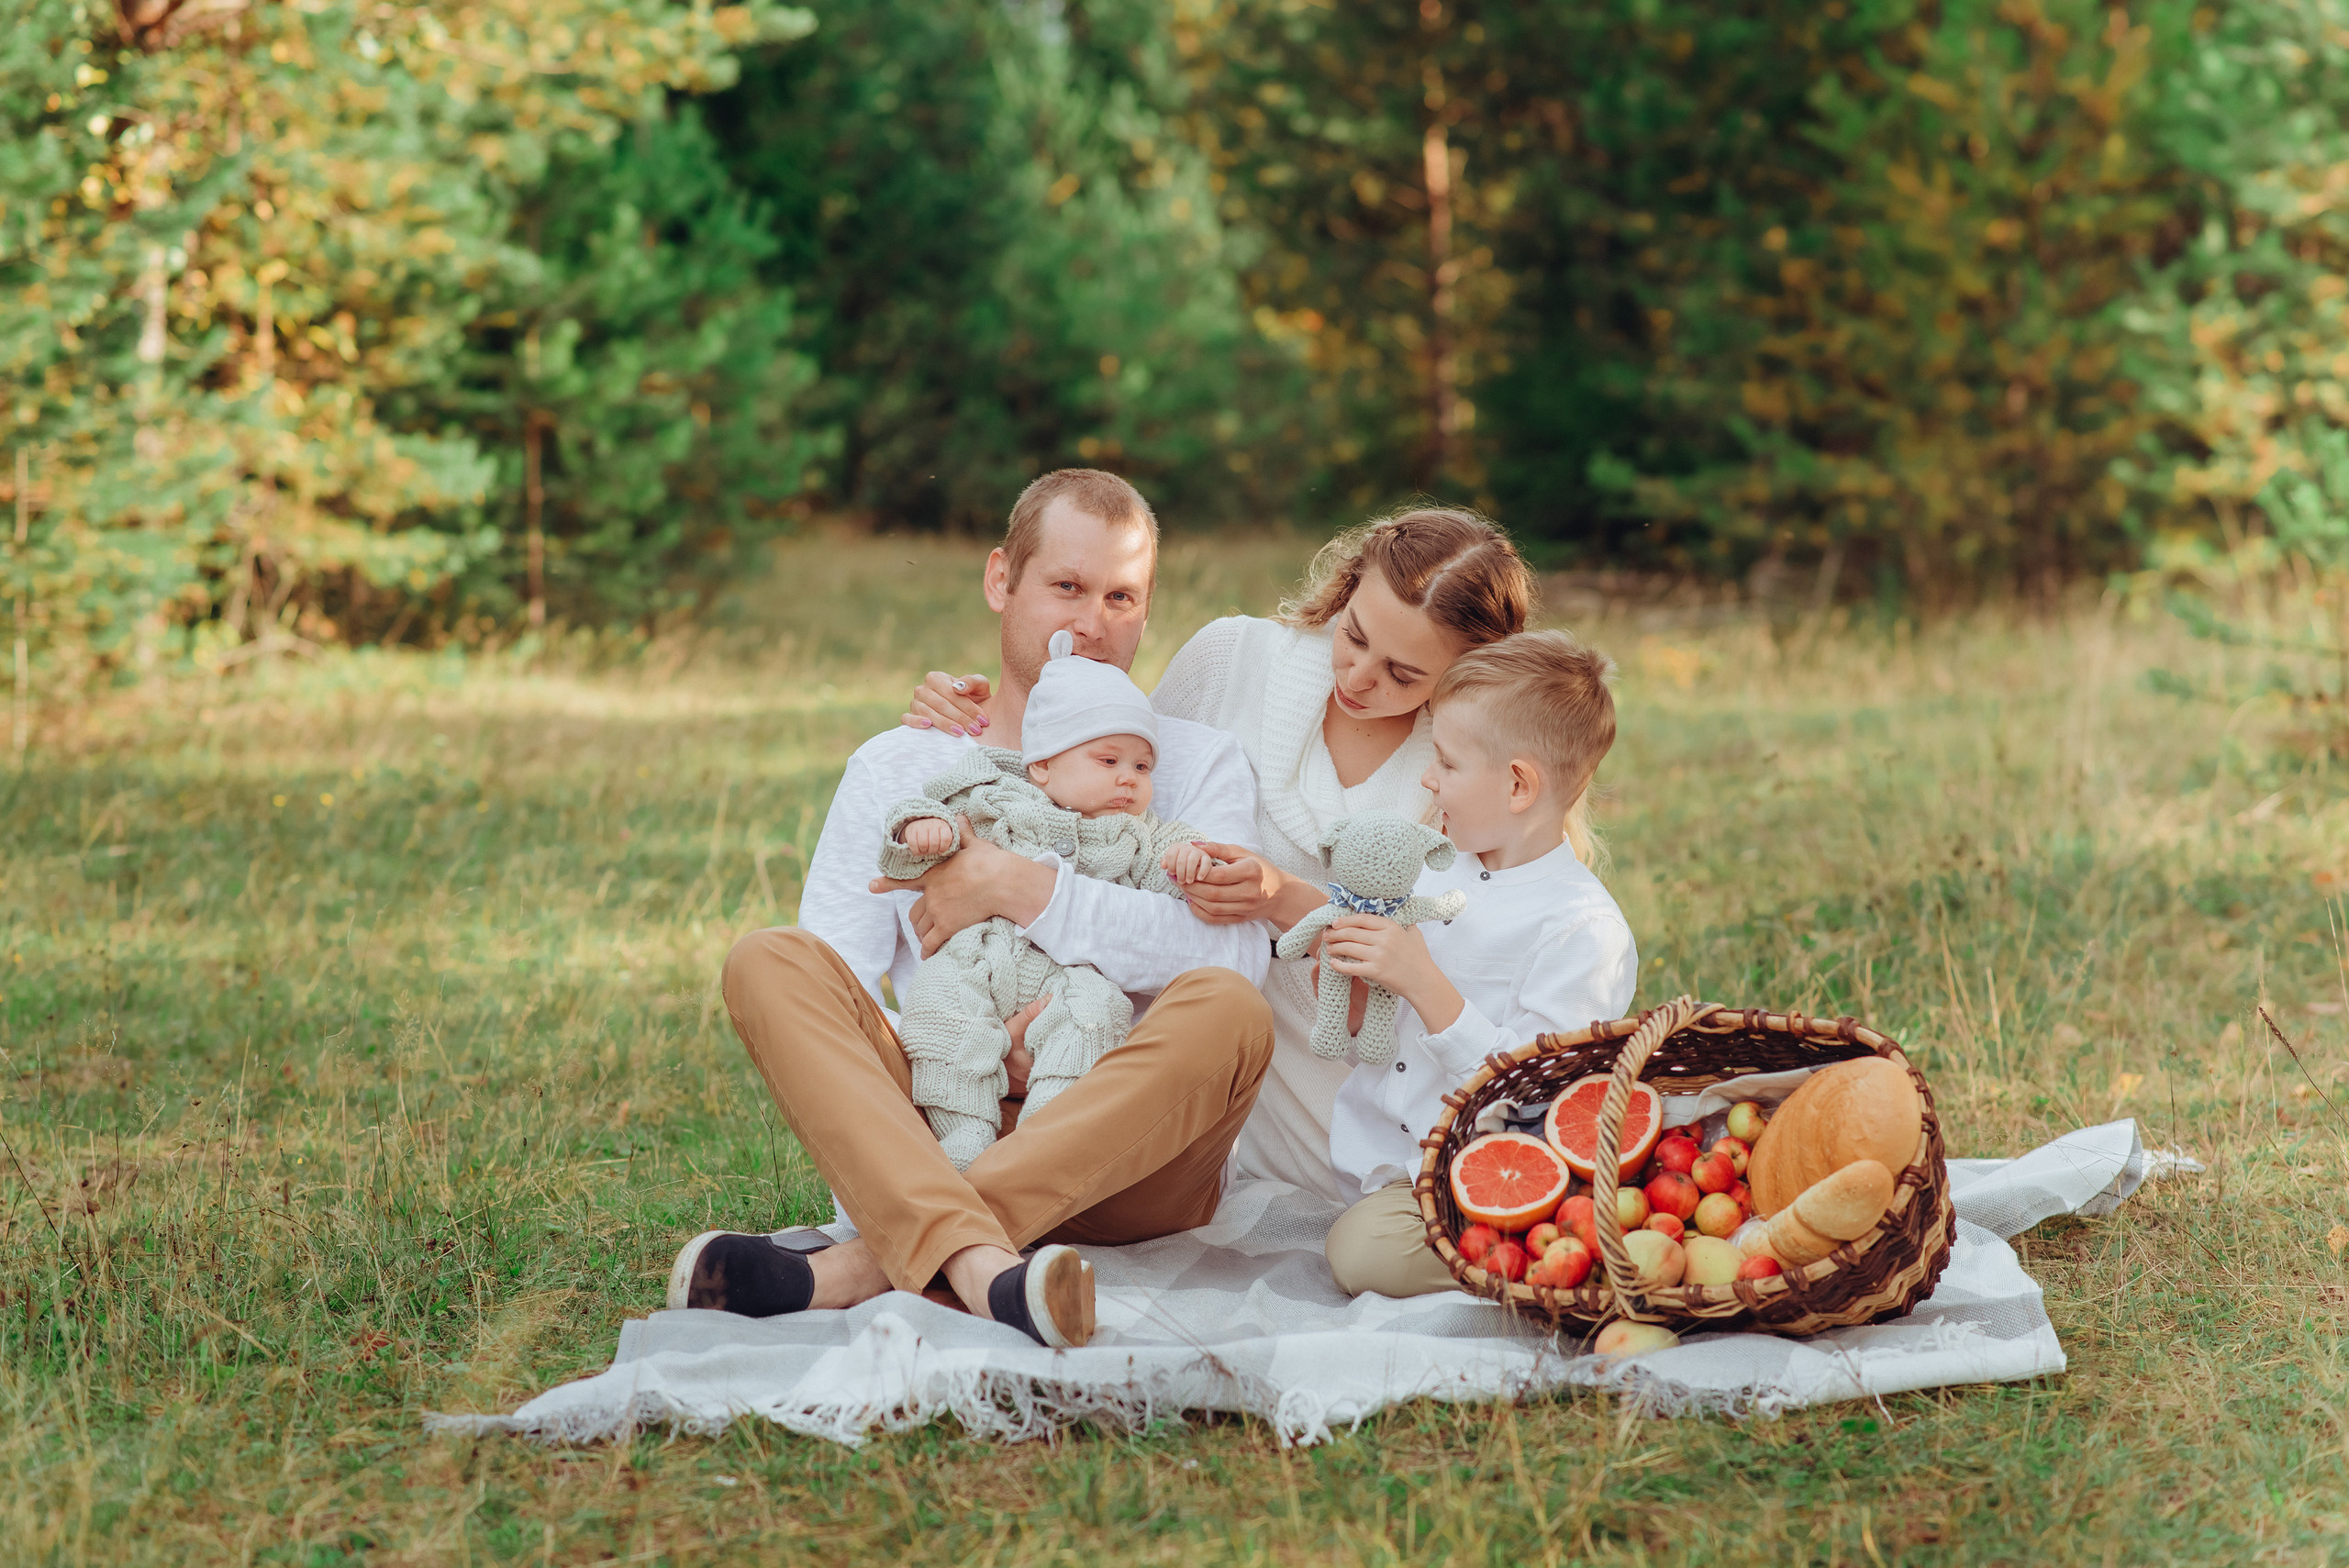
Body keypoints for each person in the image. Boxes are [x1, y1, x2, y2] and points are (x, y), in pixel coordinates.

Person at [674, 469, 1273, 1349]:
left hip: (1127, 1159)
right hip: (942, 1110)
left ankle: (859, 1269)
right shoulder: (904, 762)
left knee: (1230, 1009)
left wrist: (1022, 889)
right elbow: (839, 967)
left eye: (1121, 595)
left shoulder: (1195, 760)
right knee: (771, 959)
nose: (1092, 621)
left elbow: (1228, 963)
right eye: (1065, 586)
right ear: (1002, 581)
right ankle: (990, 1273)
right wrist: (966, 1044)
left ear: (1147, 611)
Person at [907, 507, 1538, 1203]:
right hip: (1184, 1075)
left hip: (1362, 1119)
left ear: (1467, 676)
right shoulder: (1235, 659)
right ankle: (962, 1227)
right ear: (1347, 587)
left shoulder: (1466, 766)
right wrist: (973, 715)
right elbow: (1101, 772)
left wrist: (1282, 898)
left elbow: (1444, 967)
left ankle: (940, 1229)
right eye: (1353, 635)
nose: (1358, 677)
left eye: (1404, 673)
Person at [1315, 630, 1637, 1296]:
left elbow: (1539, 1093)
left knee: (1361, 1256)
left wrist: (1424, 983)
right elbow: (1390, 1051)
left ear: (1519, 784)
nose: (1429, 778)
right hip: (1392, 1169)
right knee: (1357, 1236)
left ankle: (1570, 1253)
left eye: (1448, 762)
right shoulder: (1436, 871)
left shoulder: (1580, 927)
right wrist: (1355, 996)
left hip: (1498, 1169)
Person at [880, 629, 1219, 1172]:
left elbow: (1174, 878)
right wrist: (924, 829)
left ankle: (1044, 1143)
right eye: (1108, 761)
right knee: (941, 1006)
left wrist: (1190, 863)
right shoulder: (996, 794)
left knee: (1096, 1013)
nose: (1128, 781)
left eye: (1142, 767)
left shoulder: (1138, 833)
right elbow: (928, 812)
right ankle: (962, 1136)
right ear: (1042, 765)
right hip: (980, 960)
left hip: (1070, 975)